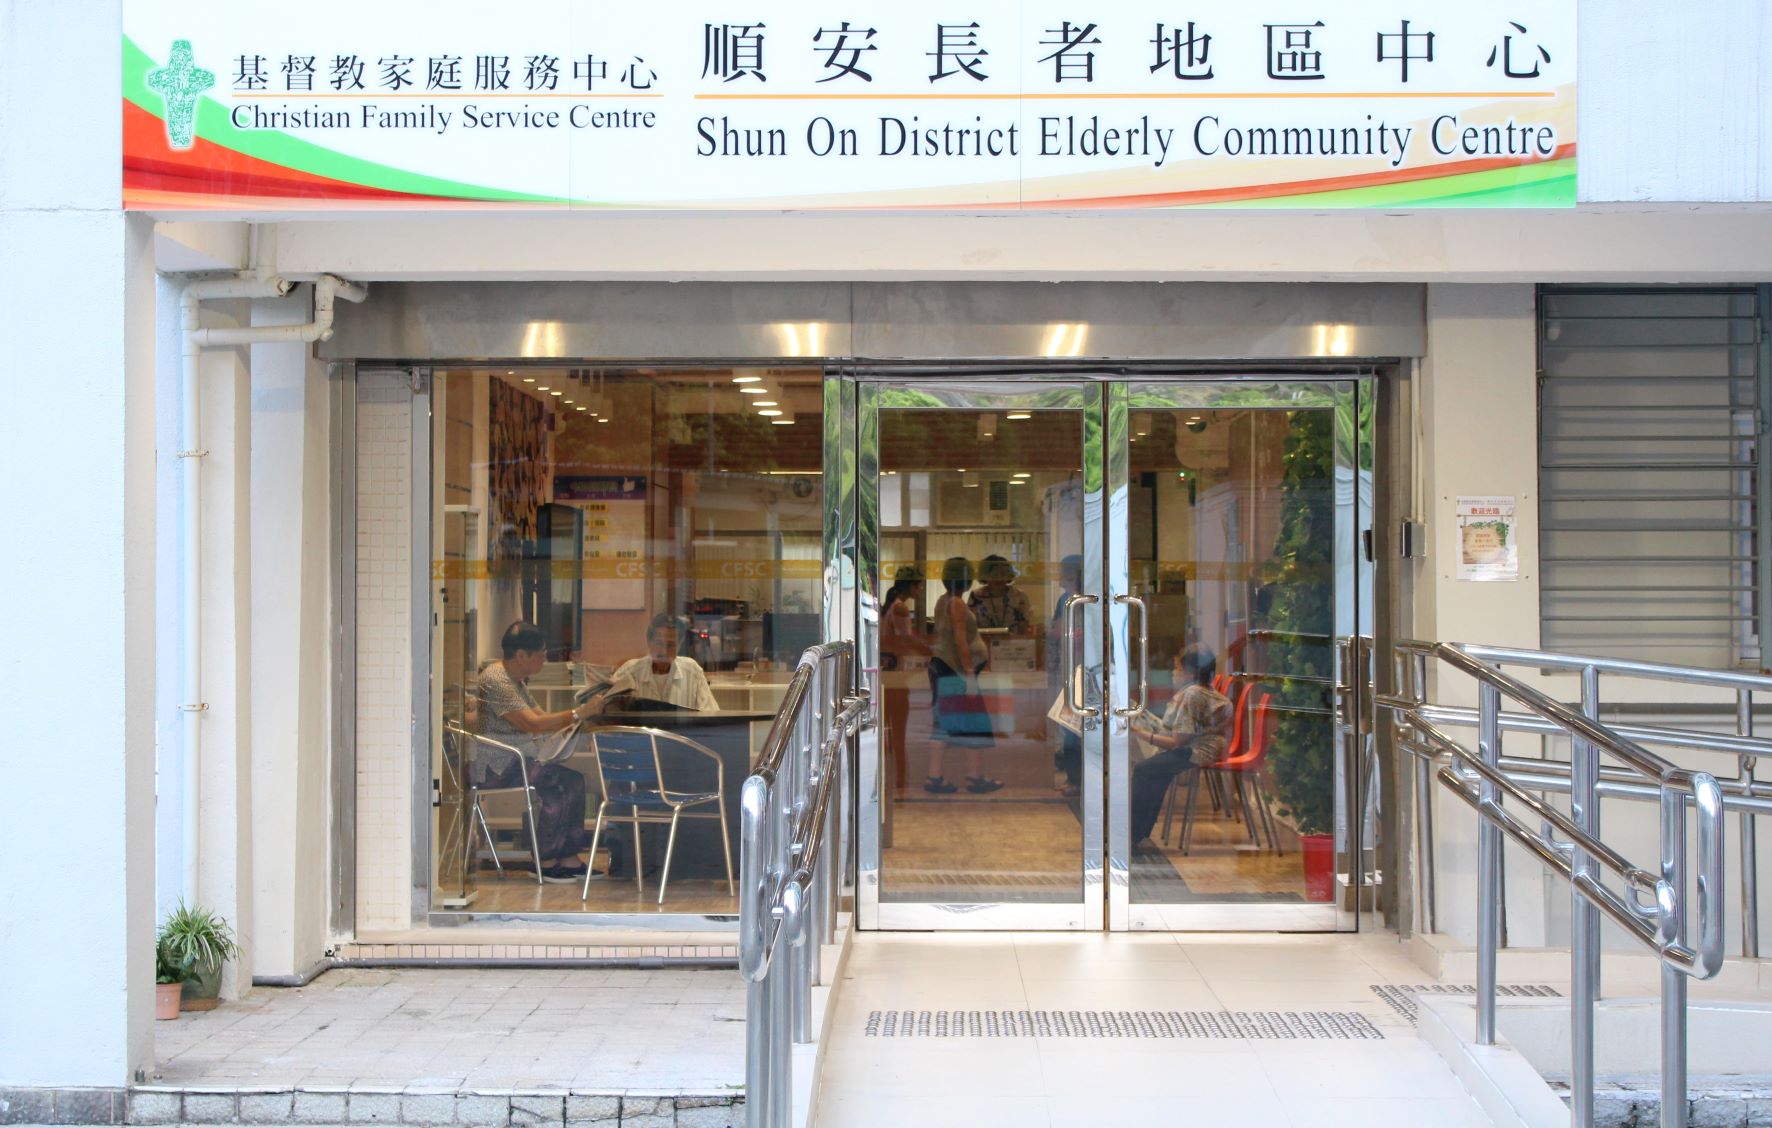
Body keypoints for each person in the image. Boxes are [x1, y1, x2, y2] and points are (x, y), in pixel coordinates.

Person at [474, 620, 611, 882]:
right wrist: (578, 713)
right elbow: (533, 724)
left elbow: (541, 718)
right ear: (522, 655)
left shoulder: (515, 681)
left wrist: (577, 720)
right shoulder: (496, 681)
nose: (544, 660)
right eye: (541, 654)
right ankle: (545, 860)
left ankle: (568, 858)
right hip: (496, 766)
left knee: (574, 780)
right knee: (559, 783)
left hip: (515, 760)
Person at [1128, 645, 1232, 846]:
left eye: (1178, 668)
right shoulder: (1199, 691)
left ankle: (1134, 832)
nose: (1174, 673)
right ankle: (1138, 831)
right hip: (1197, 746)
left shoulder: (1192, 695)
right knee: (1154, 770)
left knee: (1144, 769)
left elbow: (1177, 741)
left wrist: (1139, 733)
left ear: (1191, 671)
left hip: (1197, 750)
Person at [926, 556, 1003, 795]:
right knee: (967, 723)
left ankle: (960, 776)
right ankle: (958, 777)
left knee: (955, 722)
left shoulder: (944, 601)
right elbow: (960, 641)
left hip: (948, 669)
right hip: (956, 671)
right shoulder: (957, 604)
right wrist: (969, 674)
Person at [879, 566, 931, 790]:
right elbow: (906, 639)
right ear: (909, 586)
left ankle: (888, 779)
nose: (920, 589)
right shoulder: (900, 608)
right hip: (897, 678)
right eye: (918, 585)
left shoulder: (890, 606)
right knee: (898, 734)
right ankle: (899, 780)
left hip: (887, 675)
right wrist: (930, 651)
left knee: (887, 732)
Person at [613, 613, 721, 712]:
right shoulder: (629, 671)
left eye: (670, 645)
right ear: (649, 642)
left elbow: (710, 714)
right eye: (659, 643)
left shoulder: (692, 671)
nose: (664, 651)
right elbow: (608, 710)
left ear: (679, 645)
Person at [1047, 554, 1085, 797]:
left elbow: (1057, 631)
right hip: (1074, 669)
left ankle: (1077, 780)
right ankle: (1077, 779)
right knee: (1073, 726)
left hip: (1081, 671)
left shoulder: (1074, 599)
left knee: (1073, 727)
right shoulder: (1068, 599)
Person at [967, 554, 1035, 635]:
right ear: (985, 576)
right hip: (983, 641)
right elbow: (970, 626)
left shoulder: (1020, 596)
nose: (999, 578)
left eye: (1003, 574)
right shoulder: (976, 596)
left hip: (1013, 641)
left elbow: (1023, 629)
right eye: (994, 575)